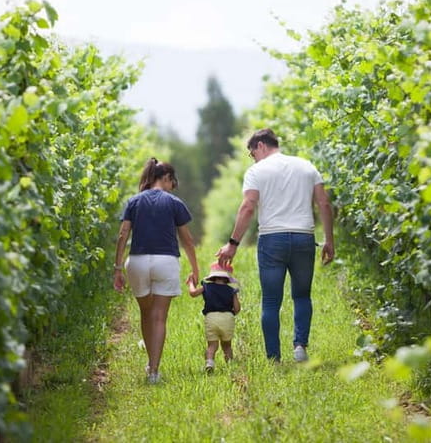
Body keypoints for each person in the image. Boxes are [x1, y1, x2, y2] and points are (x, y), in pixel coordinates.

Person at [216, 128, 334, 362]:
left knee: (271, 301)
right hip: (303, 237)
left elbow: (248, 207)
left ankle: (274, 357)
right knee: (302, 296)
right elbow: (324, 203)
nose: (253, 158)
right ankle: (300, 347)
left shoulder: (256, 171)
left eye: (252, 153)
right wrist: (329, 240)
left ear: (260, 145)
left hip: (272, 239)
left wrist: (233, 244)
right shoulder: (306, 166)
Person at [113, 158, 200, 384]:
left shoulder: (133, 201)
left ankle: (150, 363)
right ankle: (153, 371)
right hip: (166, 262)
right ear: (166, 178)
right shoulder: (174, 203)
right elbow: (188, 240)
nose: (173, 186)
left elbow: (123, 235)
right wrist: (195, 268)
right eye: (173, 182)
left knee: (146, 313)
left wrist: (117, 268)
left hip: (138, 262)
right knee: (159, 317)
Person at [186, 262, 241, 373]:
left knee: (212, 345)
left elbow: (193, 293)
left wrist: (191, 283)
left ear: (213, 277)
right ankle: (230, 367)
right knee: (227, 346)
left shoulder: (206, 287)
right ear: (227, 278)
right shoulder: (231, 290)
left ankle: (210, 362)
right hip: (227, 318)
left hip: (211, 318)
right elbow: (237, 308)